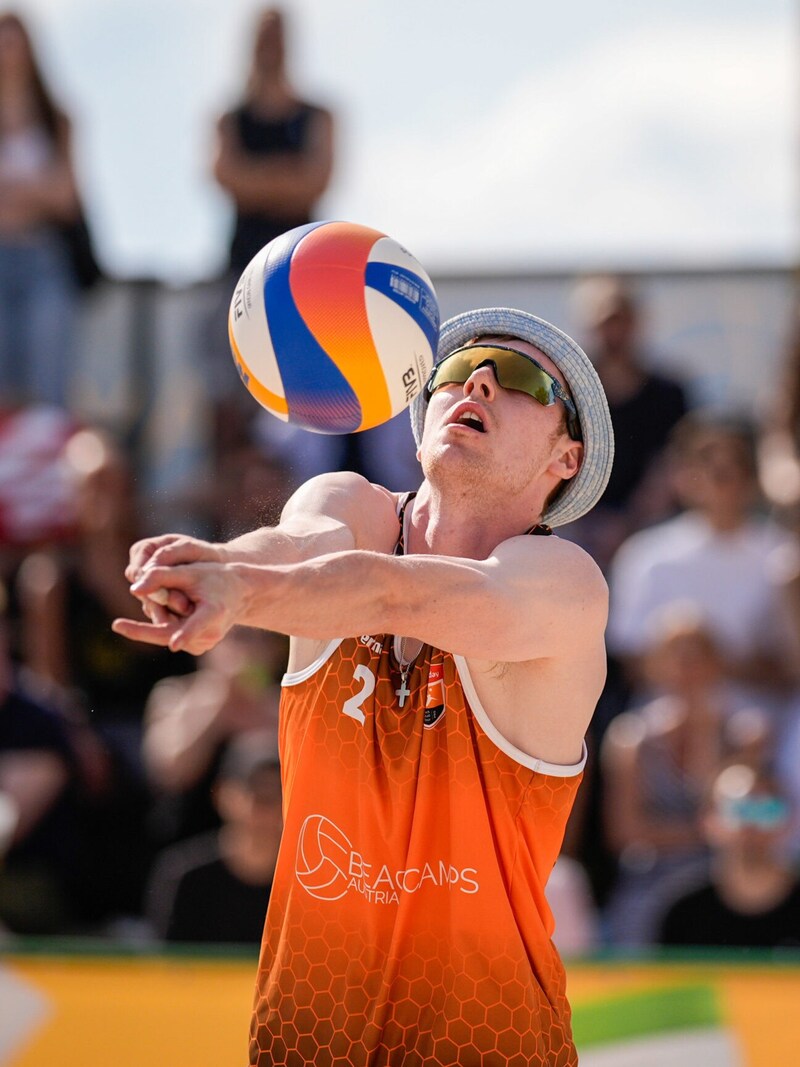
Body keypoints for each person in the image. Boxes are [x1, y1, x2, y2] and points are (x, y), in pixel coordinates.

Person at [113, 307, 615, 1066]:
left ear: (566, 458)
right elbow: (293, 546)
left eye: (519, 378)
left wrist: (238, 588)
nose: (476, 379)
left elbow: (394, 595)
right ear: (418, 431)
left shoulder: (564, 583)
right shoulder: (345, 501)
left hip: (487, 1043)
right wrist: (223, 566)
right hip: (306, 1038)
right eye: (454, 370)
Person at [0, 11, 84, 409]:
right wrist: (38, 191)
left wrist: (14, 194)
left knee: (47, 393)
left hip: (43, 262)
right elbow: (50, 193)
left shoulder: (56, 119)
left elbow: (66, 199)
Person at [146, 737, 282, 945]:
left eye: (279, 794)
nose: (267, 809)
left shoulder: (312, 883)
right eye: (256, 792)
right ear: (222, 796)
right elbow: (166, 965)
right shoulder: (183, 876)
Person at [657, 764, 800, 949]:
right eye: (738, 810)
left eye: (766, 810)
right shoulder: (683, 914)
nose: (751, 824)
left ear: (788, 821)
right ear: (707, 822)